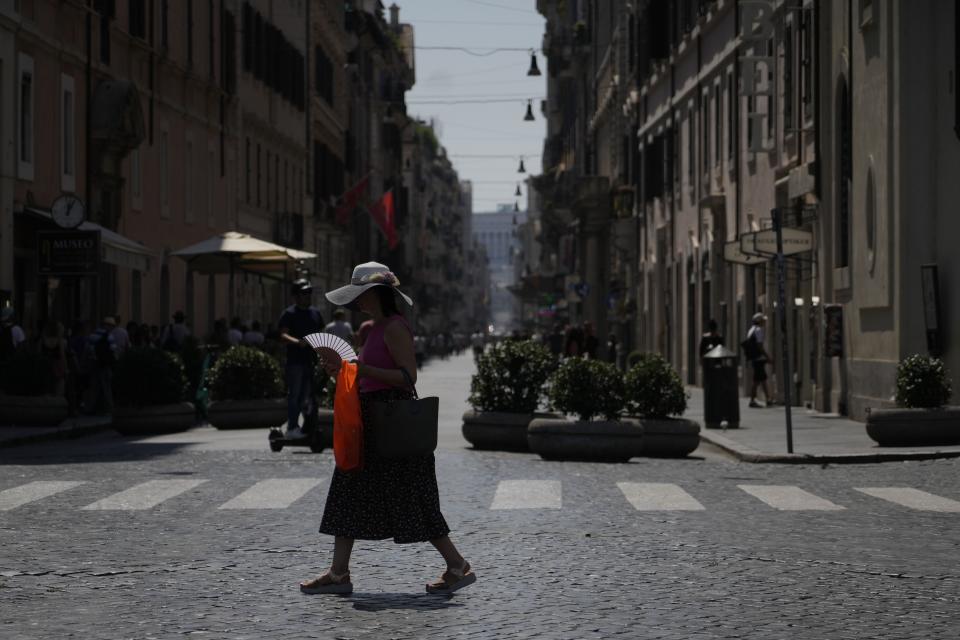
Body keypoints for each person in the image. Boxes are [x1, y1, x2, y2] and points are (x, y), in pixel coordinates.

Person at [300, 261, 475, 596]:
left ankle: (457, 565)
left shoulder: (394, 327)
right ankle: (338, 573)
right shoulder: (374, 327)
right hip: (370, 420)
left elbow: (408, 377)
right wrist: (338, 371)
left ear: (377, 294)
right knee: (348, 490)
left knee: (414, 496)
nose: (357, 302)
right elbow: (364, 376)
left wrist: (361, 368)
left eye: (361, 295)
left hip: (392, 421)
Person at [277, 279, 324, 438]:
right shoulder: (289, 313)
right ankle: (292, 428)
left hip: (312, 360)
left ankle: (307, 427)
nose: (307, 296)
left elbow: (321, 332)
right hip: (295, 361)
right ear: (295, 296)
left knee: (308, 397)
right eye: (304, 293)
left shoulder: (315, 313)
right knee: (295, 395)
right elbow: (283, 335)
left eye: (309, 293)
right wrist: (298, 342)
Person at [83, 316, 117, 415]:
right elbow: (113, 351)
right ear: (107, 326)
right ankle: (110, 407)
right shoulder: (109, 337)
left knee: (94, 386)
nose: (112, 328)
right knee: (106, 386)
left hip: (93, 363)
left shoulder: (92, 335)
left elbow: (87, 350)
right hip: (104, 364)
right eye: (111, 326)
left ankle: (90, 408)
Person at [743, 313, 773, 408]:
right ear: (759, 321)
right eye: (763, 320)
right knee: (757, 380)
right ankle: (752, 400)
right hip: (758, 358)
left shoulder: (751, 330)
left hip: (754, 358)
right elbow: (760, 346)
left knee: (762, 378)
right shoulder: (758, 330)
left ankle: (768, 399)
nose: (764, 322)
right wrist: (767, 357)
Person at [39, 320, 68, 397]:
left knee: (46, 390)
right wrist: (65, 368)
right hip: (57, 367)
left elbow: (39, 354)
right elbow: (62, 356)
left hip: (45, 366)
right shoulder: (61, 341)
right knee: (59, 391)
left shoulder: (42, 340)